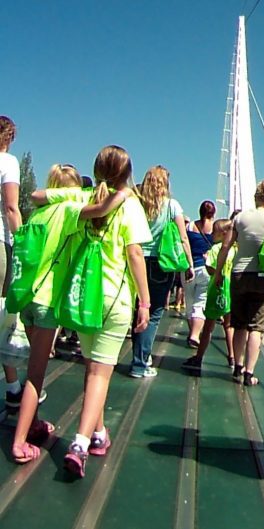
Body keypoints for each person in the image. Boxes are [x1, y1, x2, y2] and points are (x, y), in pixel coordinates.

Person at [33, 145, 151, 478]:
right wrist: (145, 301)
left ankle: (98, 433)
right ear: (127, 174)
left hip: (83, 295)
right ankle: (80, 445)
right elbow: (135, 254)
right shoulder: (130, 205)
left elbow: (37, 195)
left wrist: (95, 201)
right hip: (115, 298)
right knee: (99, 373)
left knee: (92, 368)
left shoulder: (82, 198)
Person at [12, 163, 131, 463]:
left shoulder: (37, 212)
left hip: (26, 297)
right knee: (35, 375)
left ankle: (34, 423)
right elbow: (101, 209)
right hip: (47, 300)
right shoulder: (67, 211)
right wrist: (125, 192)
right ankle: (19, 441)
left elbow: (37, 195)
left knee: (32, 367)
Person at [214, 178, 264, 386]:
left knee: (239, 324)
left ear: (256, 196)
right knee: (256, 326)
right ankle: (249, 372)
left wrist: (219, 273)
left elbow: (225, 247)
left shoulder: (241, 218)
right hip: (263, 276)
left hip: (239, 274)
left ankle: (237, 367)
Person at [129, 165, 193, 378]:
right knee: (154, 312)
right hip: (160, 263)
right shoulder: (172, 206)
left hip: (135, 259)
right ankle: (140, 363)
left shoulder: (137, 202)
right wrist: (189, 265)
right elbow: (183, 238)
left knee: (137, 308)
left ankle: (138, 356)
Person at [0, 116, 30, 408]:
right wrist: (20, 242)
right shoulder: (7, 162)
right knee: (2, 315)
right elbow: (11, 207)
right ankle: (12, 387)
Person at [182, 218, 237, 370]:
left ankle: (198, 358)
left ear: (224, 233)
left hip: (216, 291)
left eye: (215, 231)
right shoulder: (235, 250)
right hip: (231, 291)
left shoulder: (216, 249)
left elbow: (210, 269)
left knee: (208, 327)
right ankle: (232, 357)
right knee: (229, 325)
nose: (212, 234)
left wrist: (207, 260)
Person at [183, 201, 215, 348]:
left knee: (189, 303)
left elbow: (183, 243)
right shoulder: (215, 228)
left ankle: (193, 333)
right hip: (205, 269)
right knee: (200, 304)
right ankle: (195, 335)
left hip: (188, 268)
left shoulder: (190, 226)